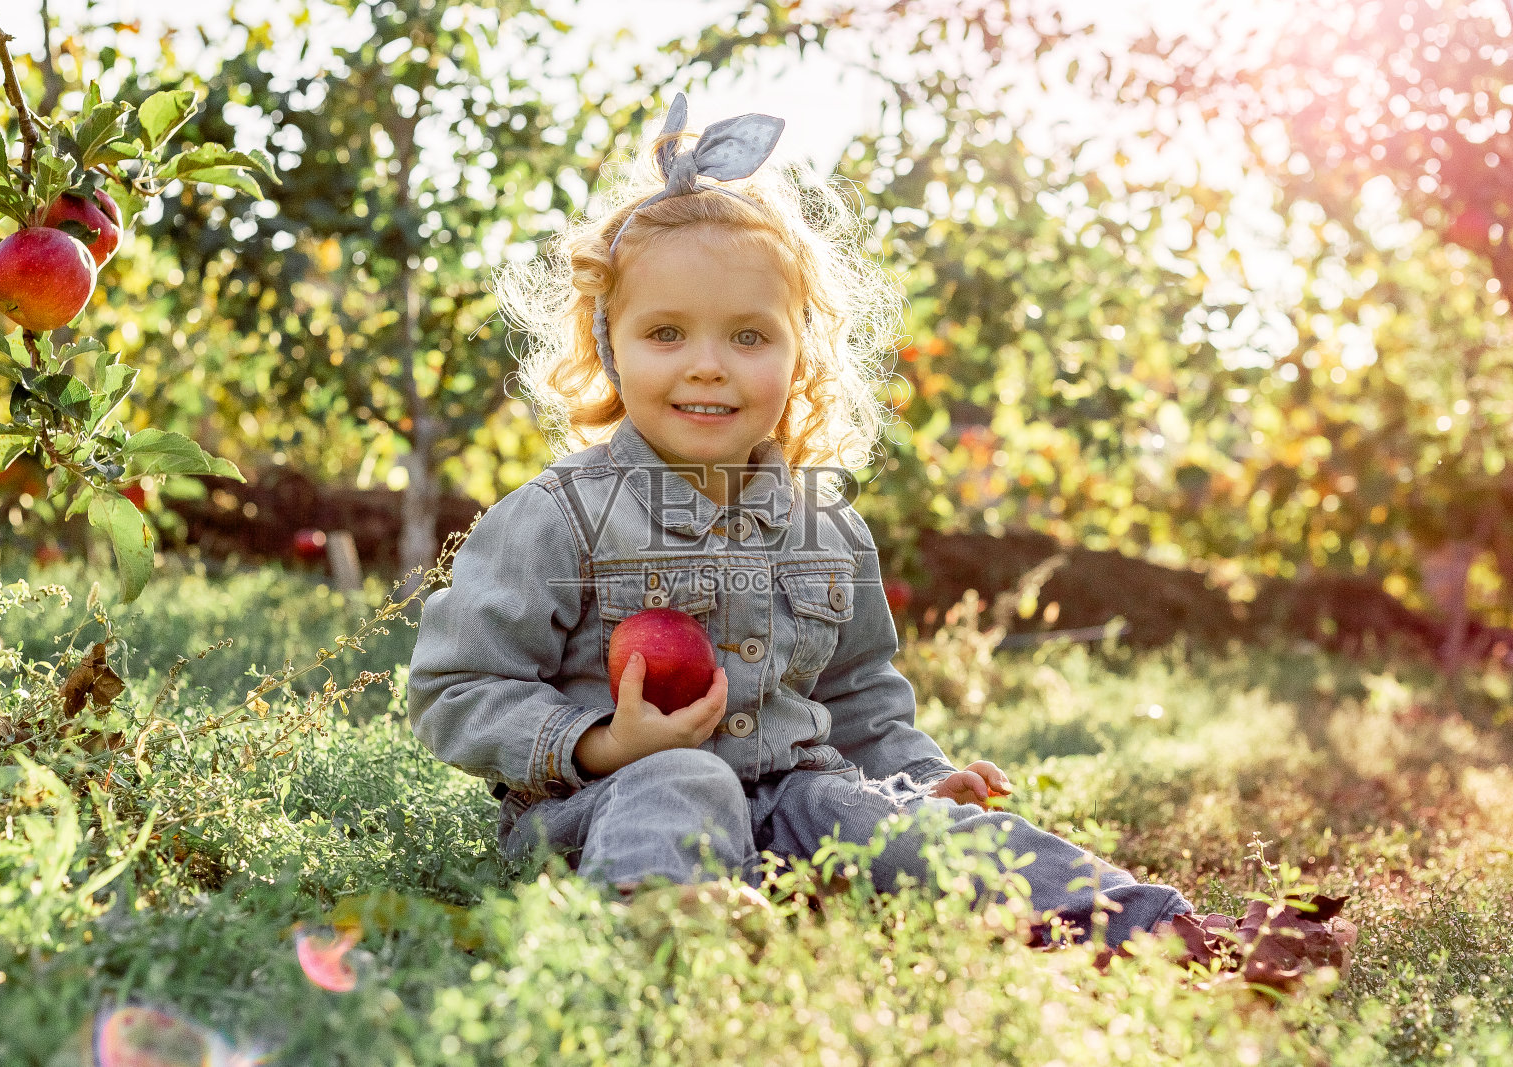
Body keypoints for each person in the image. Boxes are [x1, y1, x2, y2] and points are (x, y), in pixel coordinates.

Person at [407, 94, 1347, 966]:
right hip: (603, 817)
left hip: (790, 812)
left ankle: (1150, 931)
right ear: (609, 343)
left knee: (887, 819)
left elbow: (860, 699)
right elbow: (456, 687)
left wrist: (921, 783)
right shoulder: (557, 518)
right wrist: (603, 743)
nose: (709, 367)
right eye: (666, 334)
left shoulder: (825, 526)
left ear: (798, 351)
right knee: (683, 779)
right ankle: (670, 928)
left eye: (748, 335)